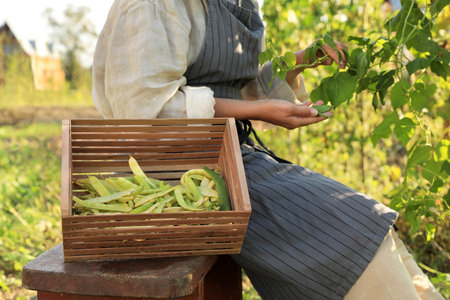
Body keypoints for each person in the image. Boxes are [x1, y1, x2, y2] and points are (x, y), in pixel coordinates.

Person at [92, 1, 445, 299]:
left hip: (230, 154)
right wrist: (260, 112)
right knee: (350, 230)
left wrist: (303, 60)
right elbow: (142, 107)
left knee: (373, 226)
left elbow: (236, 89)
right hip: (173, 172)